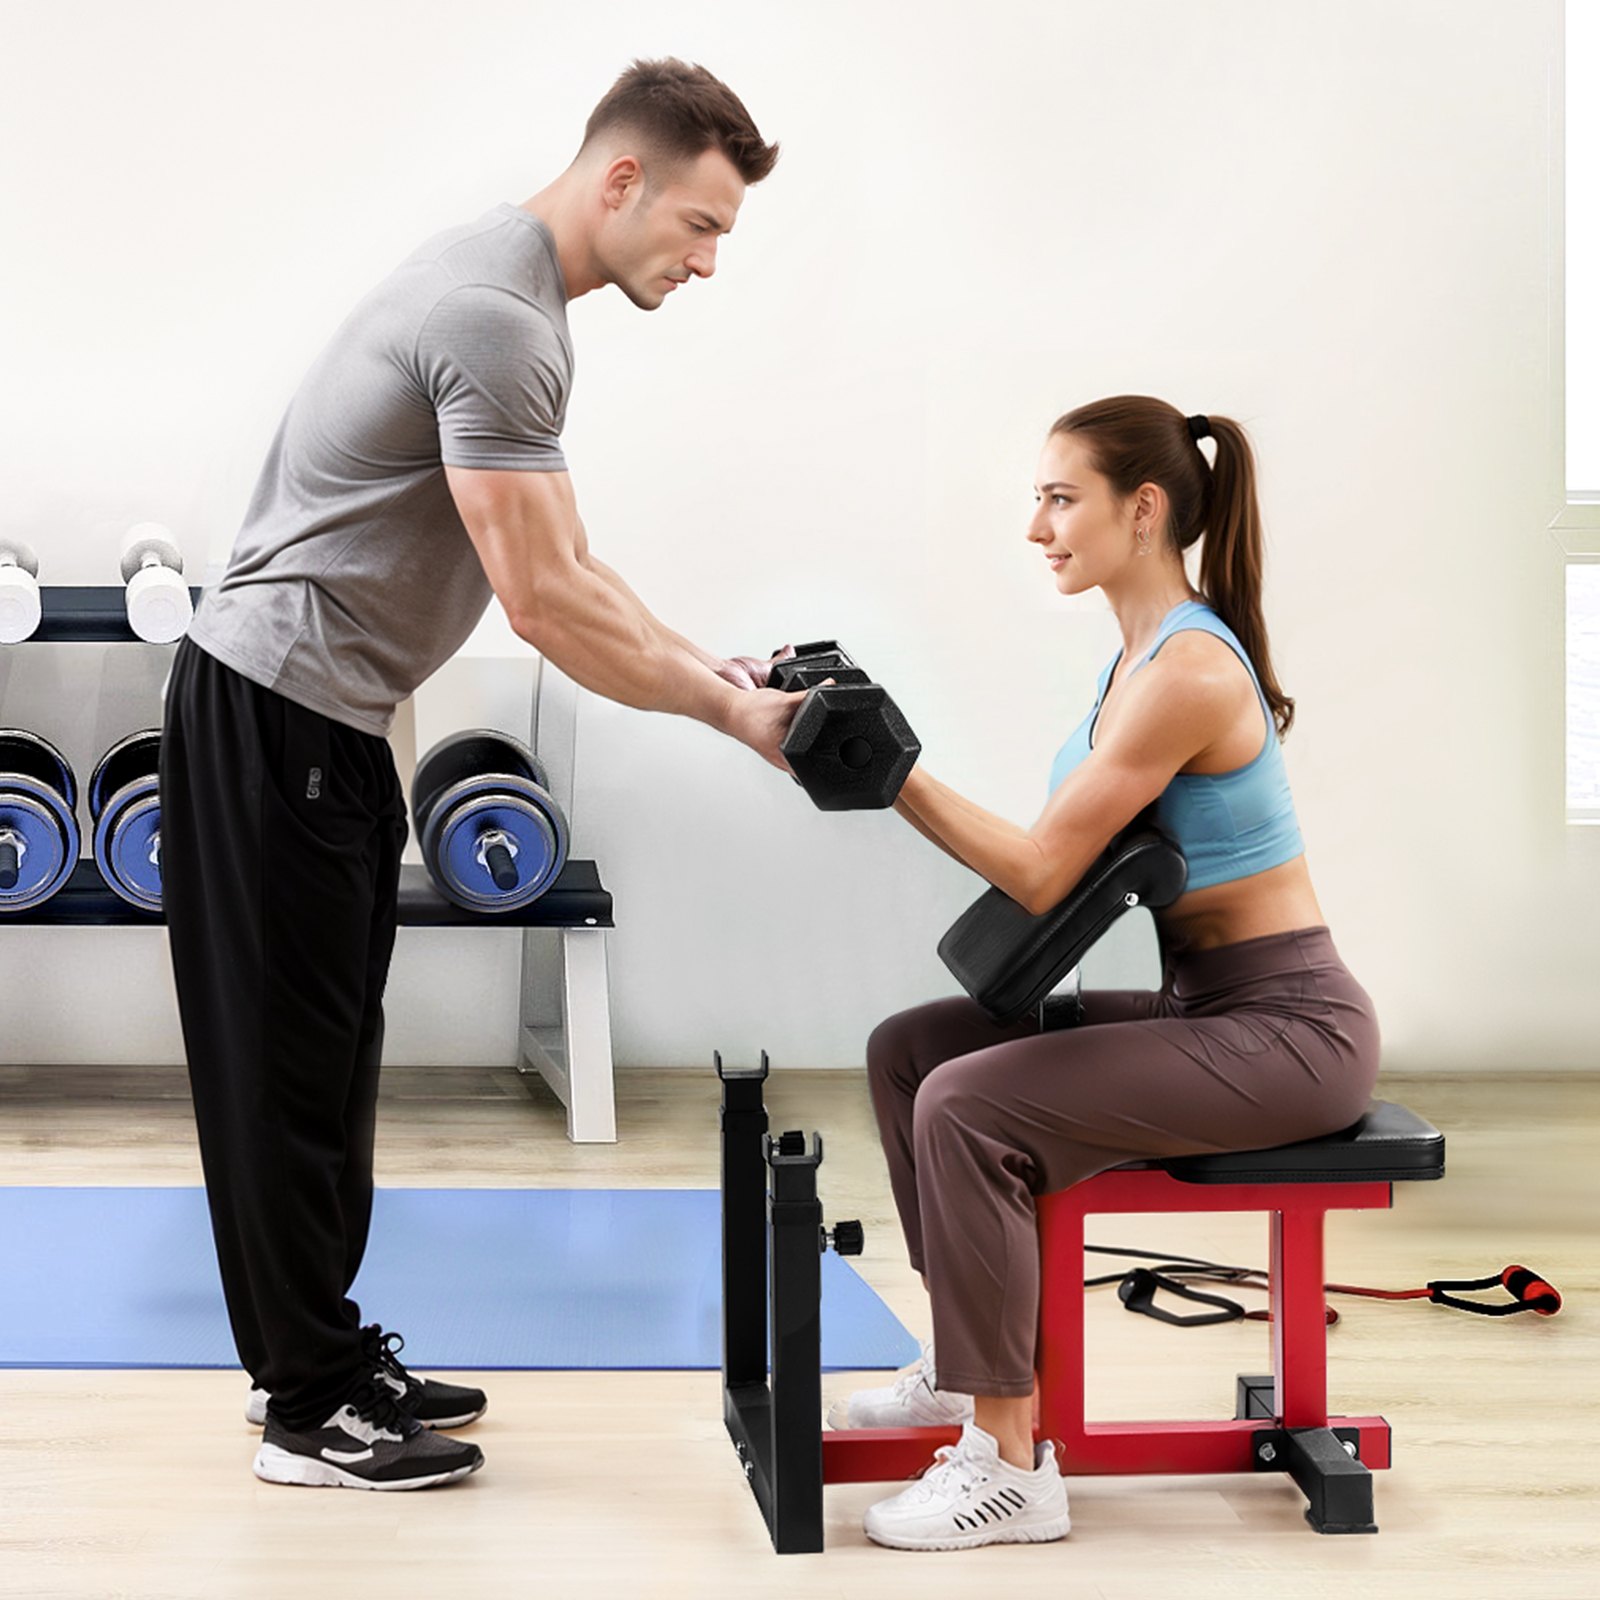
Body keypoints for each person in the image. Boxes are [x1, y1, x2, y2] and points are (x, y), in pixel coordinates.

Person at [159, 58, 796, 1492]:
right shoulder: (496, 318)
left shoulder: (514, 297)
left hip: (320, 721)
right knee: (286, 1079)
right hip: (277, 711)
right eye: (701, 226)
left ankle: (327, 1356)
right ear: (621, 180)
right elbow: (545, 606)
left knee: (330, 1069)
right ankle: (309, 1411)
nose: (707, 263)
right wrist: (724, 716)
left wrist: (710, 662)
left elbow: (576, 562)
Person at [831, 396, 1382, 1552]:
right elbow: (1058, 860)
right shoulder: (1136, 656)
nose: (1035, 525)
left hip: (1292, 1031)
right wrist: (879, 758)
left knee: (967, 1103)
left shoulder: (1188, 669)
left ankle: (1007, 1466)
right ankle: (965, 1364)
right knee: (913, 1052)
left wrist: (892, 770)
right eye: (1036, 498)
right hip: (1210, 1008)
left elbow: (1041, 869)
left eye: (1058, 497)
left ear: (1142, 511)